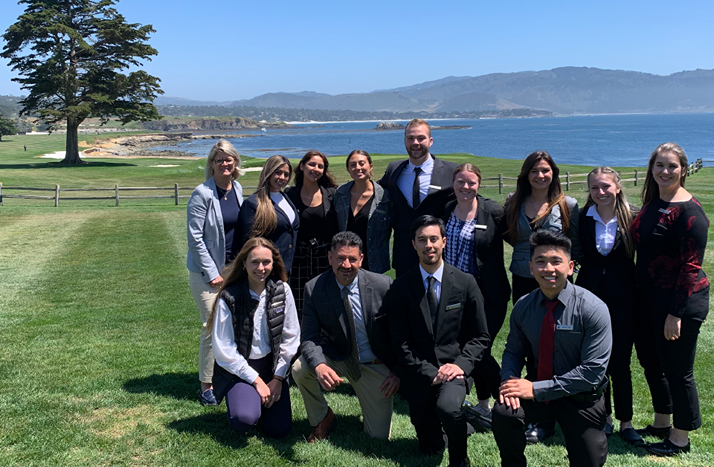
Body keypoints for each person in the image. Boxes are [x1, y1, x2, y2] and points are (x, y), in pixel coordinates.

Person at [492, 230, 612, 467]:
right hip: (539, 391)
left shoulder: (593, 309)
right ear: (530, 268)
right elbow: (513, 351)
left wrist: (535, 389)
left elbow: (592, 373)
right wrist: (509, 383)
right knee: (505, 412)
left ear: (570, 267)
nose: (549, 268)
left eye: (556, 261)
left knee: (589, 461)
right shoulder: (523, 306)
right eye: (541, 262)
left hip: (581, 397)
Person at [386, 215, 490, 467]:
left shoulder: (466, 283)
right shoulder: (401, 288)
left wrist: (460, 366)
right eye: (422, 240)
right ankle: (463, 425)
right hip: (420, 373)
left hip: (454, 368)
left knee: (448, 407)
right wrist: (428, 372)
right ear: (413, 244)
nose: (428, 245)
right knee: (430, 446)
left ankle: (459, 460)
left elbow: (480, 336)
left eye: (434, 239)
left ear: (444, 242)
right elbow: (400, 341)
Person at [631, 142, 709, 456]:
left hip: (680, 303)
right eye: (660, 165)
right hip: (649, 299)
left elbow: (691, 268)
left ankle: (680, 438)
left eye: (672, 166)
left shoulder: (690, 211)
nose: (665, 171)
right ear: (652, 169)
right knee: (652, 363)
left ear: (683, 170)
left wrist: (675, 314)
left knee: (678, 370)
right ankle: (662, 422)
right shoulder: (652, 203)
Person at [501, 150, 580, 443]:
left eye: (545, 170)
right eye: (534, 171)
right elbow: (510, 235)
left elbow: (576, 246)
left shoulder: (567, 205)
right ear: (526, 175)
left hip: (557, 283)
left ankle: (554, 412)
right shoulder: (514, 202)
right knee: (531, 345)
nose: (540, 176)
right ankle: (534, 410)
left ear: (553, 173)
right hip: (523, 279)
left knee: (554, 345)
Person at [292, 231, 400, 441]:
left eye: (352, 259)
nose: (346, 265)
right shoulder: (314, 288)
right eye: (340, 258)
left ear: (361, 259)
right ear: (330, 258)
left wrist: (397, 371)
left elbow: (402, 333)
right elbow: (309, 337)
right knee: (300, 368)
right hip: (338, 358)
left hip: (374, 363)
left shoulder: (383, 285)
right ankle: (322, 417)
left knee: (377, 438)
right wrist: (320, 365)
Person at [575, 167, 642, 446]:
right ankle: (604, 418)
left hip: (624, 298)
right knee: (594, 360)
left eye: (605, 187)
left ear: (617, 186)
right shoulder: (582, 218)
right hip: (589, 298)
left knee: (620, 363)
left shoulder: (634, 216)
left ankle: (626, 422)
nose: (600, 192)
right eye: (594, 188)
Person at [442, 163, 510, 430]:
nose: (465, 187)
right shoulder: (447, 209)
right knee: (470, 348)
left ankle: (505, 397)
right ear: (453, 183)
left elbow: (519, 236)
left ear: (479, 184)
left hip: (488, 293)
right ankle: (484, 406)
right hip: (455, 294)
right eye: (460, 181)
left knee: (479, 350)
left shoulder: (493, 211)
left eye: (471, 182)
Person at [209, 237, 300, 439]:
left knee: (279, 430)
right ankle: (246, 401)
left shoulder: (282, 290)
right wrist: (256, 381)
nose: (261, 267)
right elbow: (223, 348)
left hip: (273, 368)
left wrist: (278, 378)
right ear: (244, 263)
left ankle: (261, 403)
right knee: (244, 419)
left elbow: (291, 337)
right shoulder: (229, 296)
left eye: (266, 262)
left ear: (273, 263)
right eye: (254, 262)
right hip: (240, 369)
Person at [186, 139, 244, 406]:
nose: (224, 163)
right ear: (211, 163)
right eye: (219, 159)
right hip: (206, 274)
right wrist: (212, 272)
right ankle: (206, 385)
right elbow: (195, 237)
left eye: (228, 158)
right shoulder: (202, 193)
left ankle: (229, 374)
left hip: (233, 270)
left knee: (231, 325)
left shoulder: (238, 189)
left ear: (235, 162)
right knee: (211, 327)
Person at [378, 119, 458, 277]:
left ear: (430, 141)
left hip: (436, 251)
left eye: (421, 138)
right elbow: (374, 191)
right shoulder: (393, 170)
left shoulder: (451, 171)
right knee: (405, 300)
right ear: (405, 141)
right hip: (404, 253)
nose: (415, 142)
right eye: (410, 138)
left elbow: (468, 196)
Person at [284, 150, 339, 315]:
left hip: (325, 257)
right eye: (312, 164)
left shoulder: (332, 194)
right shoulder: (289, 195)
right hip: (299, 258)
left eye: (320, 166)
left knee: (326, 303)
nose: (315, 169)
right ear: (302, 166)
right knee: (299, 305)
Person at [238, 155, 300, 272]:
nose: (282, 177)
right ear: (269, 172)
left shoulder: (286, 198)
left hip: (288, 269)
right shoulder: (253, 203)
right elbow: (247, 243)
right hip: (266, 271)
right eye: (278, 172)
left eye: (286, 174)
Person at [334, 149, 392, 273]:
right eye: (353, 165)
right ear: (348, 169)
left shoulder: (384, 197)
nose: (358, 168)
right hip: (346, 263)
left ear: (370, 166)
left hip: (375, 265)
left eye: (362, 163)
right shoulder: (340, 194)